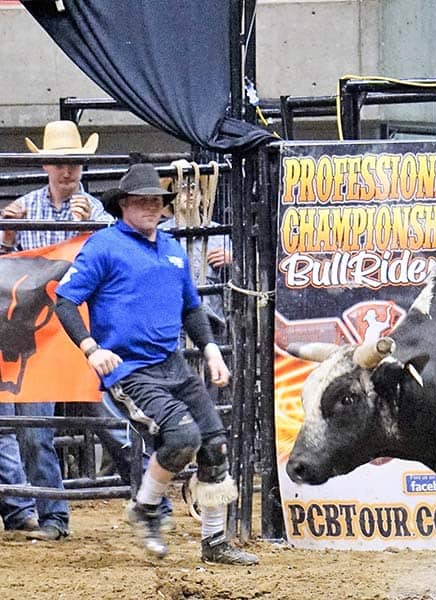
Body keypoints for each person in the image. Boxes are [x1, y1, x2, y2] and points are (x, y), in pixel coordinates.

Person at [54, 163, 257, 565]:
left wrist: (212, 349)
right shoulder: (104, 246)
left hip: (173, 364)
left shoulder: (171, 249)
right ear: (124, 205)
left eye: (156, 201)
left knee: (214, 443)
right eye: (141, 201)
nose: (151, 208)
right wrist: (92, 348)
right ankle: (146, 507)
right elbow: (65, 300)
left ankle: (214, 541)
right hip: (129, 370)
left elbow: (191, 308)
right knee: (182, 439)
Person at [0, 120, 109, 541]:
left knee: (107, 415)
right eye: (61, 163)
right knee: (37, 424)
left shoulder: (95, 211)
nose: (68, 172)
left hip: (76, 326)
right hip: (41, 331)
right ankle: (53, 517)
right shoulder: (24, 208)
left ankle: (152, 495)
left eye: (75, 164)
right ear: (46, 164)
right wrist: (8, 234)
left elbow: (106, 258)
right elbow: (7, 269)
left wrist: (89, 231)